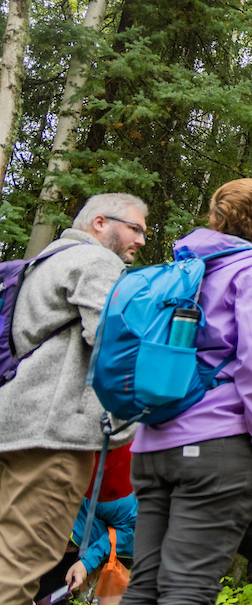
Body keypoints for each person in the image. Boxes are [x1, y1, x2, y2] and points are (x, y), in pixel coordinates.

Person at [123, 179, 252, 605]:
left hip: (151, 444)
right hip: (218, 444)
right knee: (188, 588)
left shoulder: (185, 267)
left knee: (143, 586)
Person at [0, 193, 148, 605]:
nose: (141, 239)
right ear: (100, 222)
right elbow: (114, 346)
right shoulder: (99, 262)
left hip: (13, 429)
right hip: (54, 437)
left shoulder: (44, 261)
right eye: (135, 228)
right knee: (19, 566)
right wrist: (131, 423)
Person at [35, 444, 138, 602]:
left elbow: (127, 531)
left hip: (106, 552)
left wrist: (87, 562)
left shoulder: (117, 493)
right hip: (65, 538)